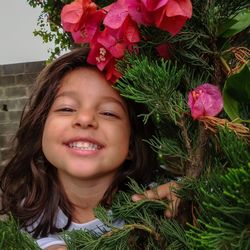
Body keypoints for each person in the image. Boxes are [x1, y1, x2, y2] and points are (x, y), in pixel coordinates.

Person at [0, 48, 179, 250]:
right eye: (66, 108)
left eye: (109, 113)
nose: (85, 119)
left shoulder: (161, 199)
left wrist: (192, 197)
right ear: (41, 129)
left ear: (131, 144)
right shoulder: (24, 219)